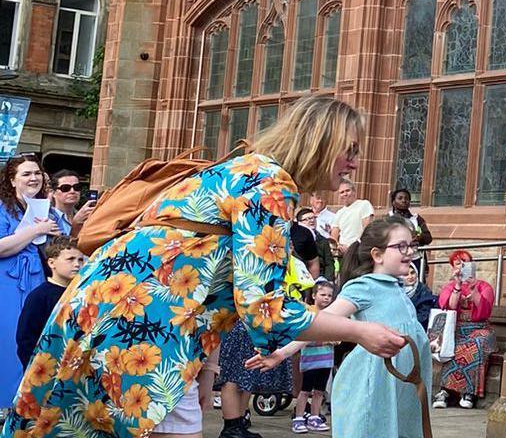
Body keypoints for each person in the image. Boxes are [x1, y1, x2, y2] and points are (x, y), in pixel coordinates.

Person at [1, 95, 407, 438]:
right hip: (146, 327)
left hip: (111, 310)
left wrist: (203, 366)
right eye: (348, 150)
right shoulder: (272, 185)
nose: (354, 163)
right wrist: (359, 331)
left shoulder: (243, 169)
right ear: (318, 143)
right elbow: (266, 310)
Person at [253, 218, 430, 438]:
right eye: (401, 246)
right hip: (375, 380)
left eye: (412, 245)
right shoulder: (365, 287)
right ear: (377, 255)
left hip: (401, 383)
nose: (410, 251)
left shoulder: (399, 287)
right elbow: (320, 321)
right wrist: (281, 353)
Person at [0, 156, 59, 413]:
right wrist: (34, 232)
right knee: (8, 340)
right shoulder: (2, 209)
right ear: (13, 180)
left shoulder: (49, 210)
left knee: (35, 341)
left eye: (37, 172)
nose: (33, 178)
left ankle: (27, 405)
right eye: (26, 174)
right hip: (8, 285)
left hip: (39, 285)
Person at [435, 250, 496, 409]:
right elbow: (449, 307)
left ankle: (468, 392)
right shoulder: (449, 287)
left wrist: (474, 289)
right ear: (452, 267)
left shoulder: (485, 286)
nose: (462, 267)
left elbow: (484, 311)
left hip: (480, 328)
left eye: (465, 263)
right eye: (458, 263)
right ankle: (445, 390)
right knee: (452, 345)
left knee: (476, 343)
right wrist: (457, 286)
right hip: (458, 328)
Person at [15, 238, 84, 364]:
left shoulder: (82, 292)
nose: (77, 264)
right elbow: (26, 338)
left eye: (80, 260)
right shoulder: (39, 296)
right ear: (52, 263)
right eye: (70, 259)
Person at [291, 280, 337, 434]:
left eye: (329, 295)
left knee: (319, 391)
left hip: (326, 361)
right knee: (305, 391)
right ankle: (298, 418)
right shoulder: (309, 314)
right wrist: (325, 340)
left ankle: (314, 417)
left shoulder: (332, 315)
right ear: (314, 295)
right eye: (323, 294)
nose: (326, 298)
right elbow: (304, 339)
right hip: (311, 362)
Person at [45, 169, 95, 235]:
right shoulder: (48, 218)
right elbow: (58, 245)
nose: (72, 191)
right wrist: (76, 224)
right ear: (53, 193)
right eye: (65, 188)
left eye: (76, 187)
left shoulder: (85, 216)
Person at [332, 179, 374, 249]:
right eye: (342, 192)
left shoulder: (364, 204)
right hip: (343, 251)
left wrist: (355, 247)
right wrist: (338, 246)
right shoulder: (339, 213)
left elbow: (367, 229)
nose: (345, 194)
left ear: (354, 191)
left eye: (347, 190)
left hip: (359, 248)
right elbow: (334, 236)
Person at [292, 206, 322, 279]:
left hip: (300, 280)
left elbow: (313, 263)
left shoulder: (305, 233)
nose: (312, 221)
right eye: (307, 219)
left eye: (313, 218)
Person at [402, 264, 436, 329]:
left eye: (412, 273)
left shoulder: (424, 291)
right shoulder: (397, 290)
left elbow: (423, 315)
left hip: (417, 329)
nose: (410, 276)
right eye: (406, 274)